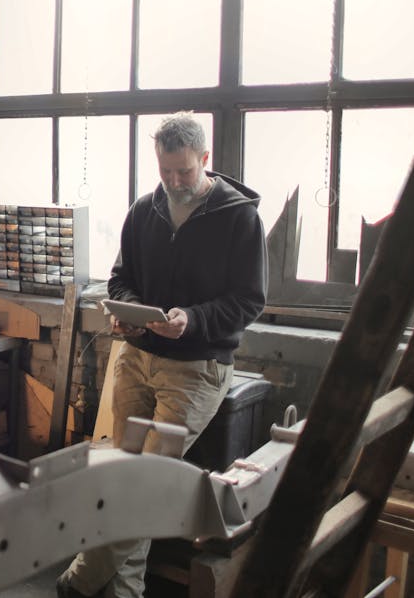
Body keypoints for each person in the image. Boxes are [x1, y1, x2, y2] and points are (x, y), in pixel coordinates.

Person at [57, 111, 267, 598]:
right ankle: (125, 592)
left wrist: (191, 320)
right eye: (165, 171)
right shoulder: (144, 209)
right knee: (124, 476)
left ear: (206, 160)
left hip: (196, 371)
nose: (174, 182)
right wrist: (127, 310)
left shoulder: (240, 218)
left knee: (145, 484)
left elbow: (249, 300)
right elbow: (120, 277)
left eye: (185, 172)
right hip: (134, 357)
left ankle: (79, 581)